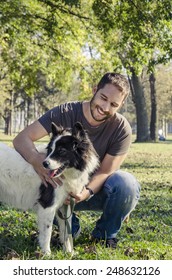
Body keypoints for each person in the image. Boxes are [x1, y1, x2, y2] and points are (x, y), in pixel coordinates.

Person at [13, 72, 141, 248]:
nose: (105, 107)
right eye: (103, 98)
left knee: (127, 185)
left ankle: (105, 234)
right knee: (68, 231)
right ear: (95, 89)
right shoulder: (65, 112)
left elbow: (106, 171)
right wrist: (36, 160)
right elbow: (21, 139)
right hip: (59, 190)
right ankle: (69, 227)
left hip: (92, 191)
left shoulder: (121, 129)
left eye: (113, 104)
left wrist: (85, 192)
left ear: (121, 105)